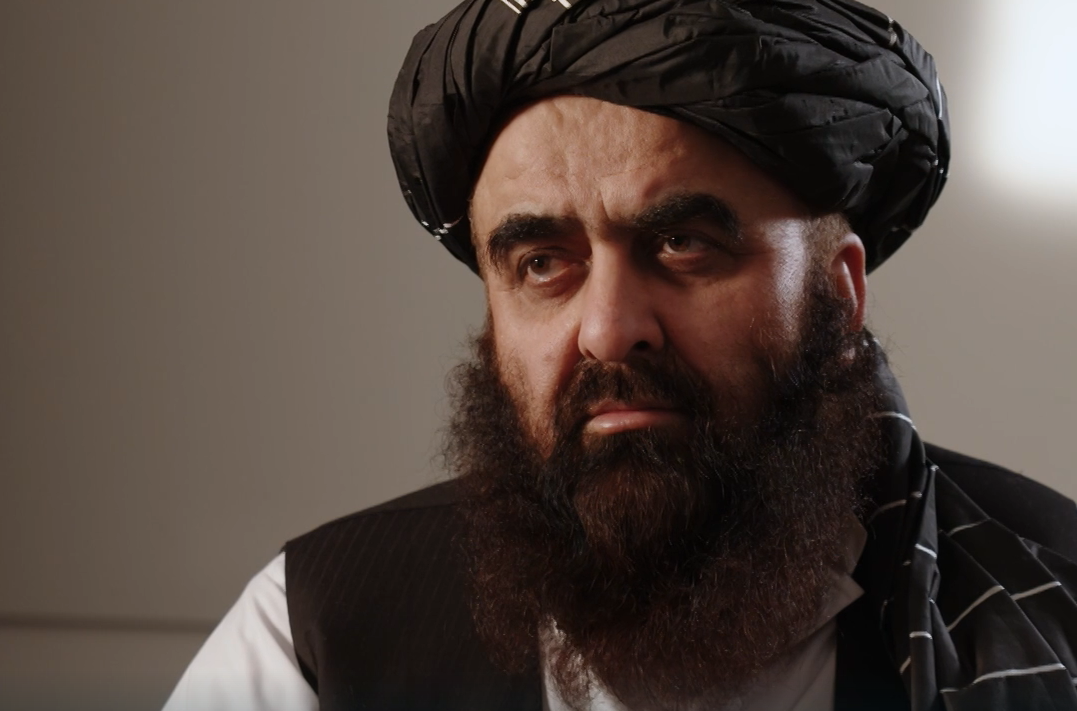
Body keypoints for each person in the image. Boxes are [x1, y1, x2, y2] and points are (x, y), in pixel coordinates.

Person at [164, 1, 1077, 710]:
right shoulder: (320, 628)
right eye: (541, 263)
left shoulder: (1050, 602)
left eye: (682, 244)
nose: (607, 329)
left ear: (837, 299)